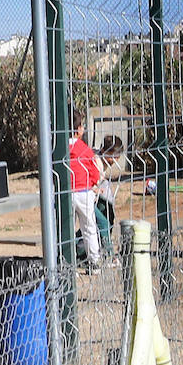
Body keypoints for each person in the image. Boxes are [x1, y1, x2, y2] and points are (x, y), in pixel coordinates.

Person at [69, 109, 107, 269]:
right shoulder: (84, 148)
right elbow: (94, 171)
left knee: (66, 230)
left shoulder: (59, 148)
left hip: (67, 194)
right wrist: (94, 184)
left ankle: (67, 264)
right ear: (78, 130)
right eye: (82, 126)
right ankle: (95, 261)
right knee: (89, 228)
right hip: (84, 193)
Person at [95, 134, 125, 257]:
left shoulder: (103, 161)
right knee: (102, 222)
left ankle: (82, 250)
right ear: (103, 151)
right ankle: (110, 255)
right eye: (113, 156)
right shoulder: (97, 162)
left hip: (95, 192)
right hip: (84, 195)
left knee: (107, 214)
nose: (116, 160)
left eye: (118, 157)